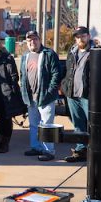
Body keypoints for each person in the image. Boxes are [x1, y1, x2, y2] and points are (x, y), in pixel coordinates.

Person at [20, 30, 61, 161]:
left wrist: (49, 92)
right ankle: (36, 147)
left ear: (39, 39)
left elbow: (56, 74)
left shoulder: (49, 54)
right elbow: (23, 75)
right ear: (27, 42)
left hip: (45, 97)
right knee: (33, 124)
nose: (32, 42)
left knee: (47, 124)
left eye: (35, 39)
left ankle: (49, 151)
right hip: (31, 98)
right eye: (29, 40)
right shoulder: (25, 56)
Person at [0, 39, 26, 153]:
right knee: (0, 119)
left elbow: (14, 76)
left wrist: (12, 92)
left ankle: (5, 144)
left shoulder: (7, 58)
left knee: (7, 120)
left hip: (7, 95)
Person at [61, 26, 94, 162]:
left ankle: (95, 152)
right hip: (72, 94)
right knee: (78, 124)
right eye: (78, 37)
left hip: (87, 95)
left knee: (92, 125)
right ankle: (81, 152)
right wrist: (63, 85)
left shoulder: (95, 52)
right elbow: (68, 71)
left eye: (83, 36)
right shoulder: (72, 51)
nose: (80, 39)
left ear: (88, 36)